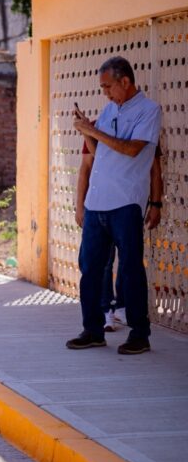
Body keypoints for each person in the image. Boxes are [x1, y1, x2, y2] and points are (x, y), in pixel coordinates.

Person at [67, 56, 160, 355]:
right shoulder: (108, 110)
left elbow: (132, 149)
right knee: (90, 269)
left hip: (126, 202)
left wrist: (93, 131)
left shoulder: (149, 110)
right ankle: (92, 330)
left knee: (131, 271)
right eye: (102, 87)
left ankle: (139, 335)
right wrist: (87, 132)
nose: (105, 93)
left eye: (108, 86)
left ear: (125, 81)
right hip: (97, 203)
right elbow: (102, 152)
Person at [76, 141, 163, 332]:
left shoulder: (142, 128)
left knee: (129, 265)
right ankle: (104, 311)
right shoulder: (96, 127)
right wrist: (80, 206)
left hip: (127, 206)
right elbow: (86, 168)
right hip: (98, 207)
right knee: (99, 264)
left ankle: (126, 312)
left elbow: (155, 169)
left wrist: (156, 204)